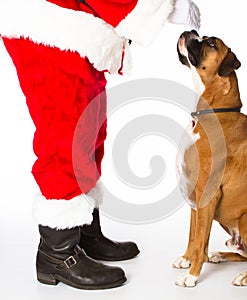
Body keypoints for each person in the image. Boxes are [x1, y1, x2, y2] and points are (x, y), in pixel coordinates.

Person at [0, 0, 200, 290]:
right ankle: (58, 253)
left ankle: (82, 232)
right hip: (53, 22)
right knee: (65, 134)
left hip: (77, 22)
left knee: (90, 127)